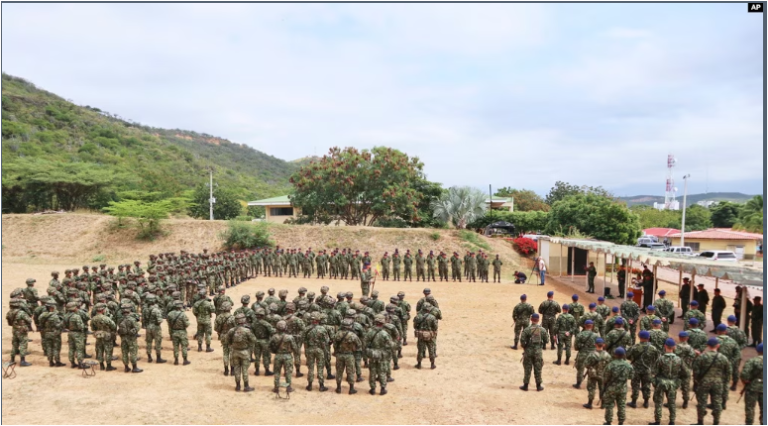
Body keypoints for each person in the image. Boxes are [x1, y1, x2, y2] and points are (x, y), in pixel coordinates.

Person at [692, 338, 731, 426]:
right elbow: (728, 372)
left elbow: (696, 371)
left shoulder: (702, 357)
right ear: (718, 346)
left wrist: (698, 380)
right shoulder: (723, 358)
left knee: (702, 402)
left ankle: (700, 422)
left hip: (704, 382)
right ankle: (716, 422)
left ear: (708, 346)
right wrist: (724, 382)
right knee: (717, 402)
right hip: (718, 382)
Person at [652, 338, 686, 426]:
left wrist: (654, 382)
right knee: (672, 403)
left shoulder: (661, 359)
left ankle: (657, 421)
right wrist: (679, 381)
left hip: (661, 382)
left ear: (665, 346)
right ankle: (672, 422)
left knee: (659, 402)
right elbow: (685, 373)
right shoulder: (679, 359)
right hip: (673, 383)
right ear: (674, 347)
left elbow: (654, 372)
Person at [627, 330, 660, 409]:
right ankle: (646, 402)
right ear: (648, 338)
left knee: (635, 385)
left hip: (636, 370)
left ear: (639, 337)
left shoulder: (635, 347)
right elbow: (657, 359)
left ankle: (634, 402)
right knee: (646, 385)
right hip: (647, 370)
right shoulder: (653, 348)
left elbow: (628, 355)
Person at [602, 347, 634, 426]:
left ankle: (608, 422)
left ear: (615, 355)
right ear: (624, 355)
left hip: (611, 388)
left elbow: (605, 378)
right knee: (622, 405)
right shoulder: (628, 365)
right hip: (622, 388)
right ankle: (621, 422)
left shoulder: (611, 365)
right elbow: (631, 376)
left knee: (609, 405)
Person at [225, 313, 257, 392]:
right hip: (244, 352)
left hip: (235, 352)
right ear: (244, 320)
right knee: (245, 370)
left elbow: (227, 341)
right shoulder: (247, 331)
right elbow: (254, 340)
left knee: (236, 369)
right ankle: (246, 386)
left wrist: (232, 345)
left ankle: (238, 386)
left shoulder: (232, 330)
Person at [519, 313, 549, 391]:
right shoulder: (542, 330)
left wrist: (525, 347)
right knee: (538, 368)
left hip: (528, 351)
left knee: (527, 368)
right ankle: (538, 386)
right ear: (538, 320)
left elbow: (522, 341)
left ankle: (525, 385)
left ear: (531, 319)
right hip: (538, 352)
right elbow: (547, 340)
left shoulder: (527, 330)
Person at [334, 318, 362, 394]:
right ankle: (351, 389)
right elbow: (359, 345)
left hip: (339, 355)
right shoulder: (353, 335)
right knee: (350, 372)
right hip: (349, 355)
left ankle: (338, 388)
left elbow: (335, 345)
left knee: (339, 371)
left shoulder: (337, 334)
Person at [368, 314, 394, 395]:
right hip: (382, 355)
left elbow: (365, 343)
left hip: (372, 354)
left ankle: (372, 389)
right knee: (382, 371)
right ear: (382, 323)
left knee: (372, 372)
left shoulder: (369, 331)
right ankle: (382, 388)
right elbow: (390, 345)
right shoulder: (384, 333)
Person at [582, 337, 611, 409]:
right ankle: (603, 404)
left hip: (593, 374)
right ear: (603, 345)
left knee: (591, 388)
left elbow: (586, 364)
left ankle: (590, 403)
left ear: (595, 345)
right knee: (603, 388)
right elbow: (610, 365)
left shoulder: (592, 354)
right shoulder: (607, 355)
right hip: (603, 375)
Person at [304, 312, 330, 392]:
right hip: (319, 350)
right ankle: (321, 385)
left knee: (310, 368)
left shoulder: (307, 329)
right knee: (320, 367)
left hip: (310, 349)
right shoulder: (322, 329)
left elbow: (304, 340)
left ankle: (309, 385)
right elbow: (326, 341)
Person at [270, 320, 297, 393]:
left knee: (277, 372)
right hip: (287, 356)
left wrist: (274, 351)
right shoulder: (289, 337)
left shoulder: (274, 337)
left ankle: (276, 387)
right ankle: (288, 387)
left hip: (278, 356)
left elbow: (269, 346)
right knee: (288, 372)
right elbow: (294, 347)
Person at [740, 343, 763, 426]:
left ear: (757, 350)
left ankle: (749, 423)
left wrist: (745, 381)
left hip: (753, 387)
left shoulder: (752, 361)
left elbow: (744, 374)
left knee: (750, 407)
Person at [6, 298, 33, 367]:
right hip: (22, 330)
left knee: (14, 344)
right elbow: (29, 320)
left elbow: (9, 323)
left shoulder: (9, 312)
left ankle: (12, 360)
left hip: (14, 330)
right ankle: (22, 361)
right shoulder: (21, 312)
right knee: (23, 344)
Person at [117, 303, 142, 373]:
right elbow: (137, 327)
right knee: (133, 352)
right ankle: (134, 367)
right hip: (131, 338)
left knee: (124, 352)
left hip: (123, 338)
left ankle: (126, 367)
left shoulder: (120, 319)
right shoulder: (131, 319)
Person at [91, 304, 117, 371]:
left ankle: (101, 365)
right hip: (107, 336)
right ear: (103, 310)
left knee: (99, 350)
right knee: (108, 351)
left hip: (98, 336)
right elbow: (113, 326)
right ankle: (108, 366)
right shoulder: (106, 318)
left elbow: (93, 328)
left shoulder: (93, 319)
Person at [573, 320, 598, 389]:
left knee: (580, 369)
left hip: (582, 354)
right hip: (593, 355)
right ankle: (591, 385)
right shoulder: (596, 336)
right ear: (592, 326)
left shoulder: (580, 335)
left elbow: (576, 347)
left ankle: (578, 384)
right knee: (592, 369)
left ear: (584, 326)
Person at [214, 301, 236, 376]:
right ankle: (232, 370)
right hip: (231, 336)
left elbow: (215, 328)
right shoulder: (233, 318)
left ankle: (226, 370)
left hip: (223, 335)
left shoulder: (219, 317)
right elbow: (236, 328)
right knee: (232, 353)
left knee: (225, 353)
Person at [413, 303, 438, 370]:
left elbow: (415, 326)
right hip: (430, 336)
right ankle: (432, 364)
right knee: (431, 350)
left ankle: (419, 364)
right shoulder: (432, 317)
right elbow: (435, 327)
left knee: (420, 350)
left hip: (421, 336)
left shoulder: (418, 317)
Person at [167, 301, 191, 365]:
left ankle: (176, 360)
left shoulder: (170, 314)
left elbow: (169, 323)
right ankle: (185, 360)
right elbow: (187, 324)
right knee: (184, 346)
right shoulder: (182, 314)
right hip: (182, 332)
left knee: (175, 347)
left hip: (174, 332)